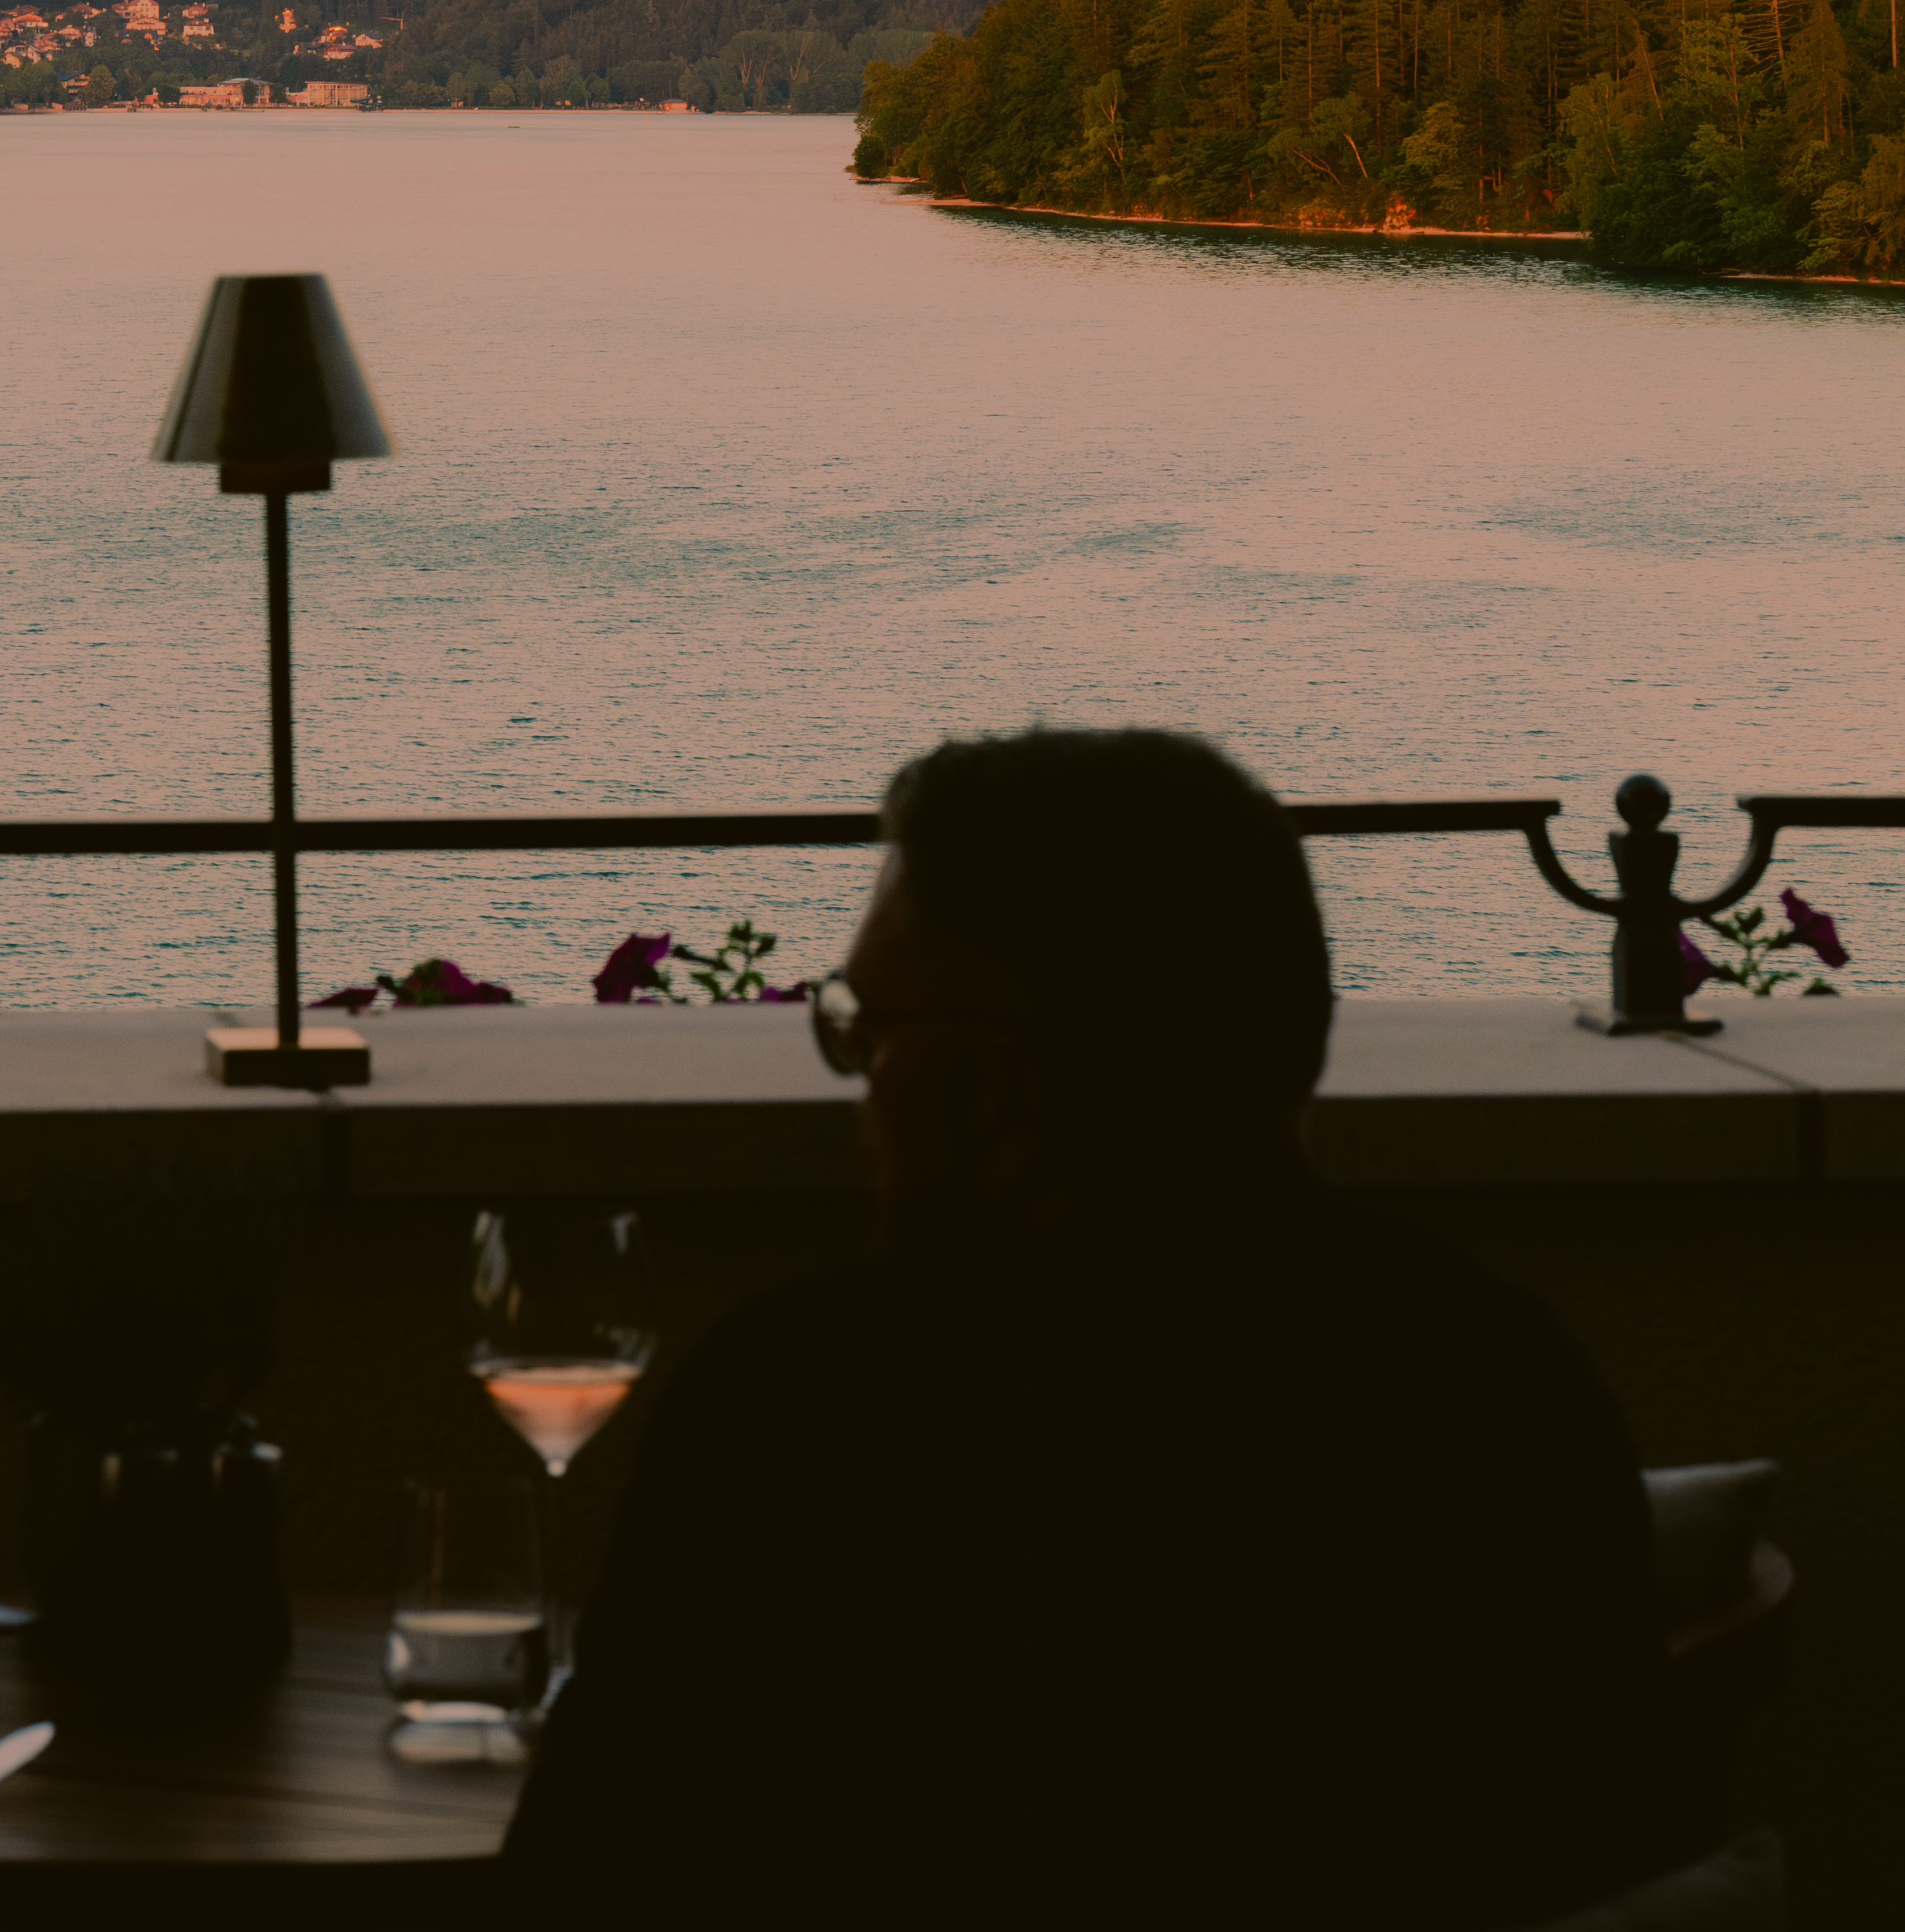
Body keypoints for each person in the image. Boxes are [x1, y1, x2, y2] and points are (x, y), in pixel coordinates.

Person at [506, 728, 1683, 1930]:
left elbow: (592, 1867)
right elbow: (1599, 1827)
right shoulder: (1492, 1375)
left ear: (1001, 1090)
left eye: (871, 1029)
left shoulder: (807, 1406)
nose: (859, 1083)